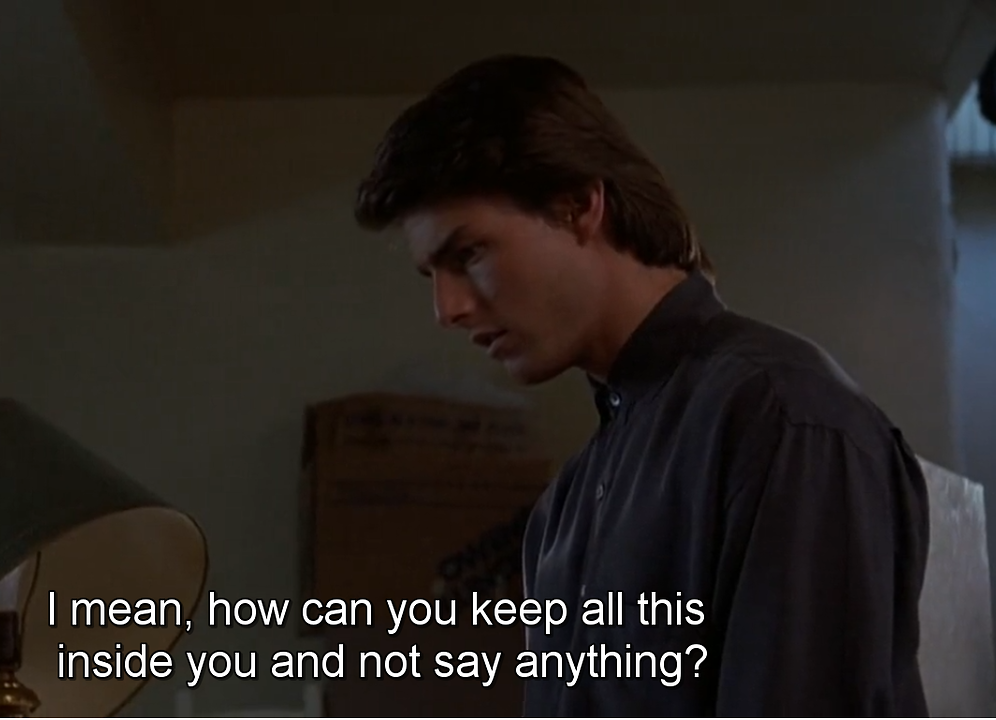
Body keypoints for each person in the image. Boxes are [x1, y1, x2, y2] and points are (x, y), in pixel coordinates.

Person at [353, 55, 931, 716]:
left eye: (469, 254)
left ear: (578, 205)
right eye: (431, 275)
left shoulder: (780, 416)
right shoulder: (565, 506)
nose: (447, 308)